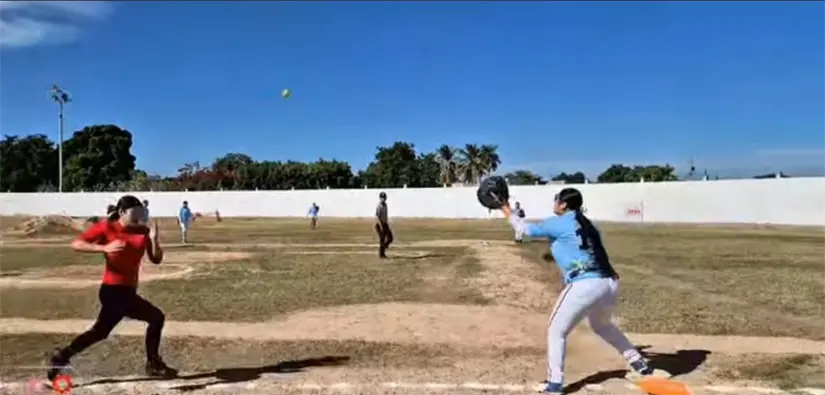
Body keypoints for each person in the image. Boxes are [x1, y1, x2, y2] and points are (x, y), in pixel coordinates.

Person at [498, 188, 655, 394]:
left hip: (585, 285)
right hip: (609, 283)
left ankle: (555, 384)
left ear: (563, 205)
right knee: (602, 326)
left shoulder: (558, 222)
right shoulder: (588, 224)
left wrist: (505, 208)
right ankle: (637, 361)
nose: (555, 203)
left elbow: (524, 230)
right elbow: (585, 249)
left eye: (557, 200)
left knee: (556, 330)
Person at [47, 195, 177, 381]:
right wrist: (104, 249)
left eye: (141, 211)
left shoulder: (143, 231)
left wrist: (154, 240)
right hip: (113, 290)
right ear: (122, 212)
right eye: (135, 212)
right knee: (156, 317)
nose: (139, 215)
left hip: (127, 291)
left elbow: (156, 259)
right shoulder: (107, 228)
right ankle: (153, 364)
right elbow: (76, 244)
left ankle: (62, 356)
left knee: (99, 332)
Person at [374, 191, 393, 259]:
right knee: (382, 239)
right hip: (379, 224)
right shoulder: (379, 206)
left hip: (384, 223)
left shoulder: (385, 205)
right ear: (380, 198)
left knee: (390, 238)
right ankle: (381, 254)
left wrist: (386, 223)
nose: (383, 199)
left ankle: (384, 246)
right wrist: (381, 225)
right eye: (382, 197)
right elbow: (377, 216)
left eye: (384, 197)